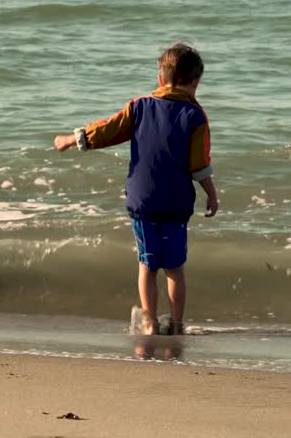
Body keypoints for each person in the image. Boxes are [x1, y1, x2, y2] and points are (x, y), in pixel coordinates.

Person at [53, 43, 218, 335]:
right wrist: (212, 194)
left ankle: (151, 323)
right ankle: (177, 324)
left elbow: (107, 129)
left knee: (148, 265)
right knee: (175, 269)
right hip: (177, 202)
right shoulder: (195, 116)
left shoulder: (139, 107)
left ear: (160, 79)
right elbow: (199, 165)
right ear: (196, 82)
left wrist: (71, 139)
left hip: (144, 200)